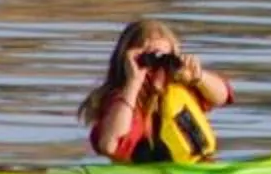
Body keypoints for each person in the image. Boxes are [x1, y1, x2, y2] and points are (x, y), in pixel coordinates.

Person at [78, 18, 235, 165]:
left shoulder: (179, 88)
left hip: (192, 171)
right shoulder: (122, 100)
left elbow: (223, 96)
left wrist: (198, 76)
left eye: (164, 60)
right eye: (150, 60)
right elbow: (109, 146)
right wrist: (134, 82)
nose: (157, 68)